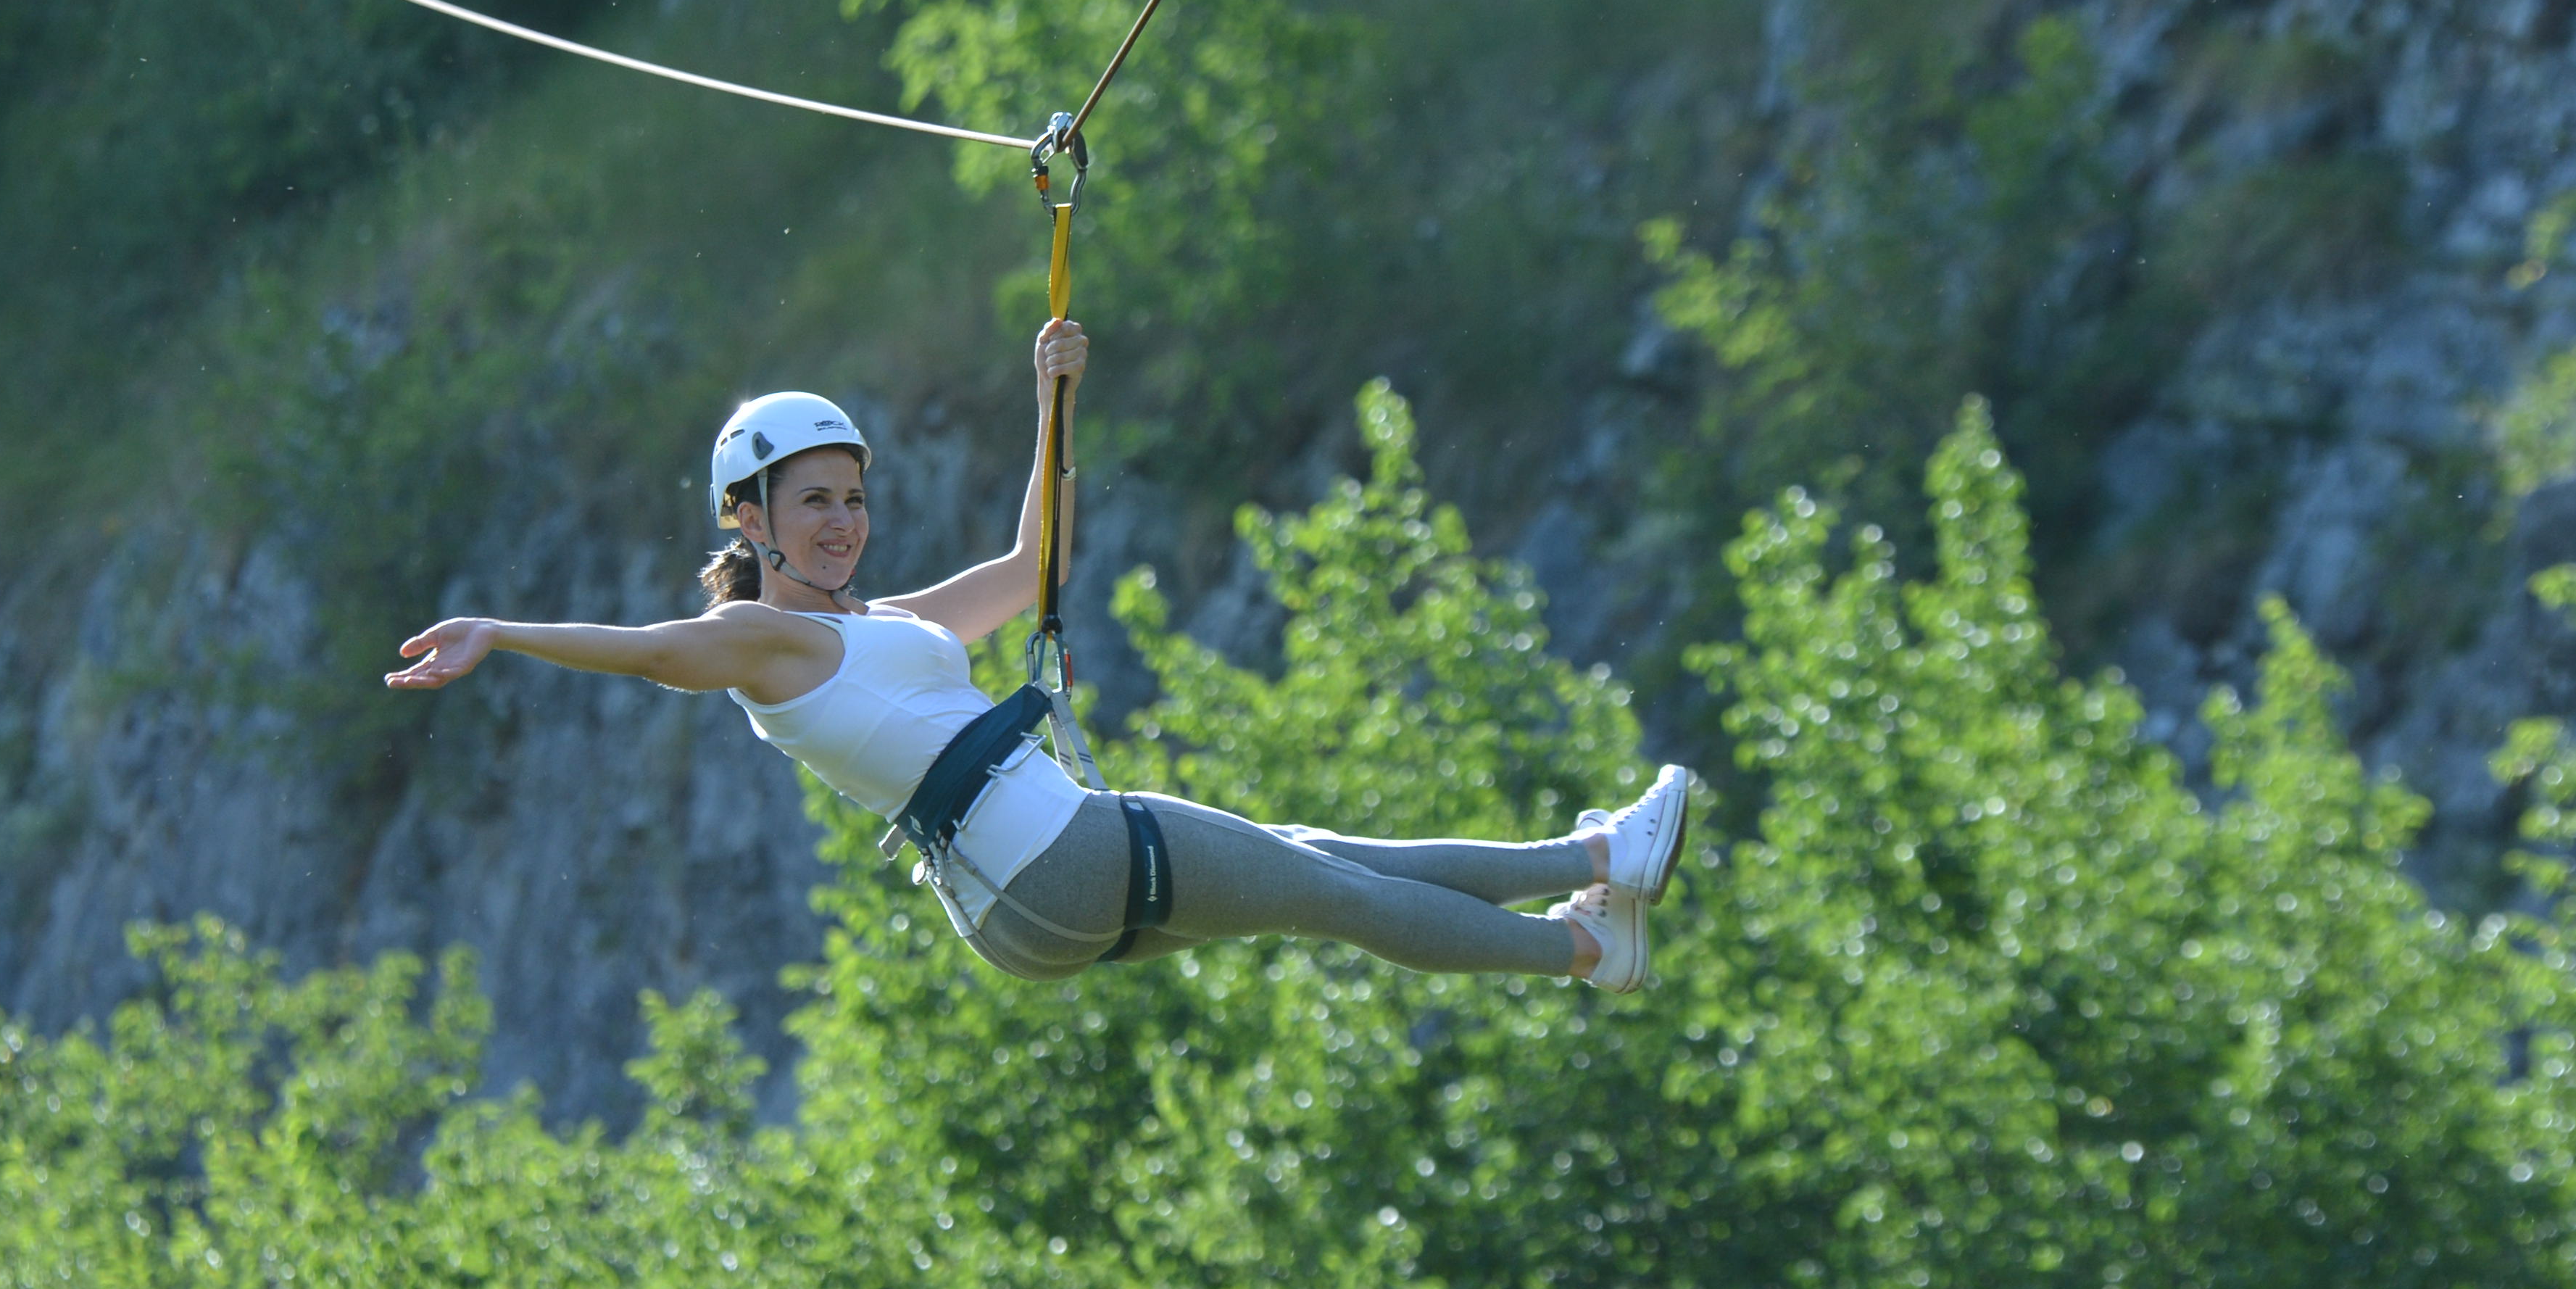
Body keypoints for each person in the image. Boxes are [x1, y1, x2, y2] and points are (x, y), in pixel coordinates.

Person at [387, 319, 1694, 987]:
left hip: (1032, 900)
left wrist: (1048, 401)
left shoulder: (881, 628)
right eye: (812, 504)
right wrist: (506, 632)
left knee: (1319, 864)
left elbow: (1028, 573)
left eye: (852, 498)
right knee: (1328, 894)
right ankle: (1584, 948)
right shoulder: (765, 637)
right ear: (751, 520)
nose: (841, 523)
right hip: (1046, 861)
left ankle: (1589, 866)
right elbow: (665, 653)